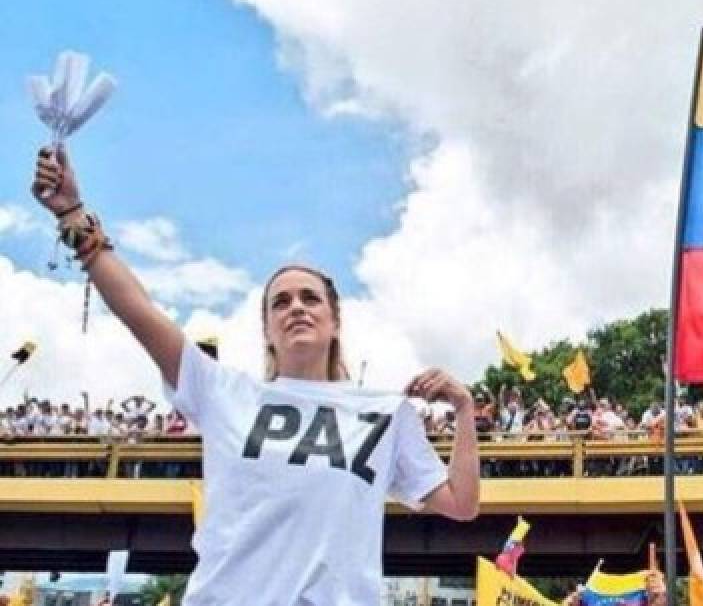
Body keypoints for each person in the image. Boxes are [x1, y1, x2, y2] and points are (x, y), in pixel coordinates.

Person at [32, 144, 480, 604]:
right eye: (281, 303)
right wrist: (73, 215)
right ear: (267, 328)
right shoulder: (223, 391)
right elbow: (140, 314)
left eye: (310, 298)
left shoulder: (386, 413)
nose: (297, 308)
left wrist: (465, 409)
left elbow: (461, 503)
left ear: (336, 320)